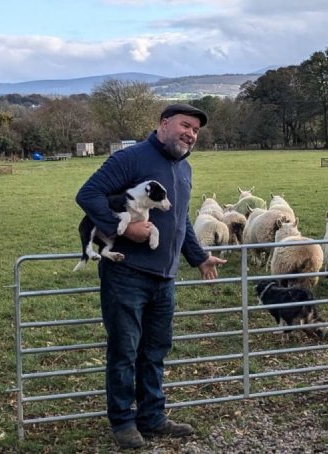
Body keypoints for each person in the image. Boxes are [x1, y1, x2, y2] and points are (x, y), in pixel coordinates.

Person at [75, 103, 227, 449]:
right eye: (185, 126)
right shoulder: (132, 159)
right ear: (163, 124)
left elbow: (181, 220)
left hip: (164, 277)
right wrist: (122, 229)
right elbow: (88, 194)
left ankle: (153, 417)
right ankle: (123, 421)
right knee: (125, 350)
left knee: (155, 351)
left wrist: (198, 256)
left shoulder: (183, 169)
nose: (191, 134)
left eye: (196, 131)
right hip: (126, 274)